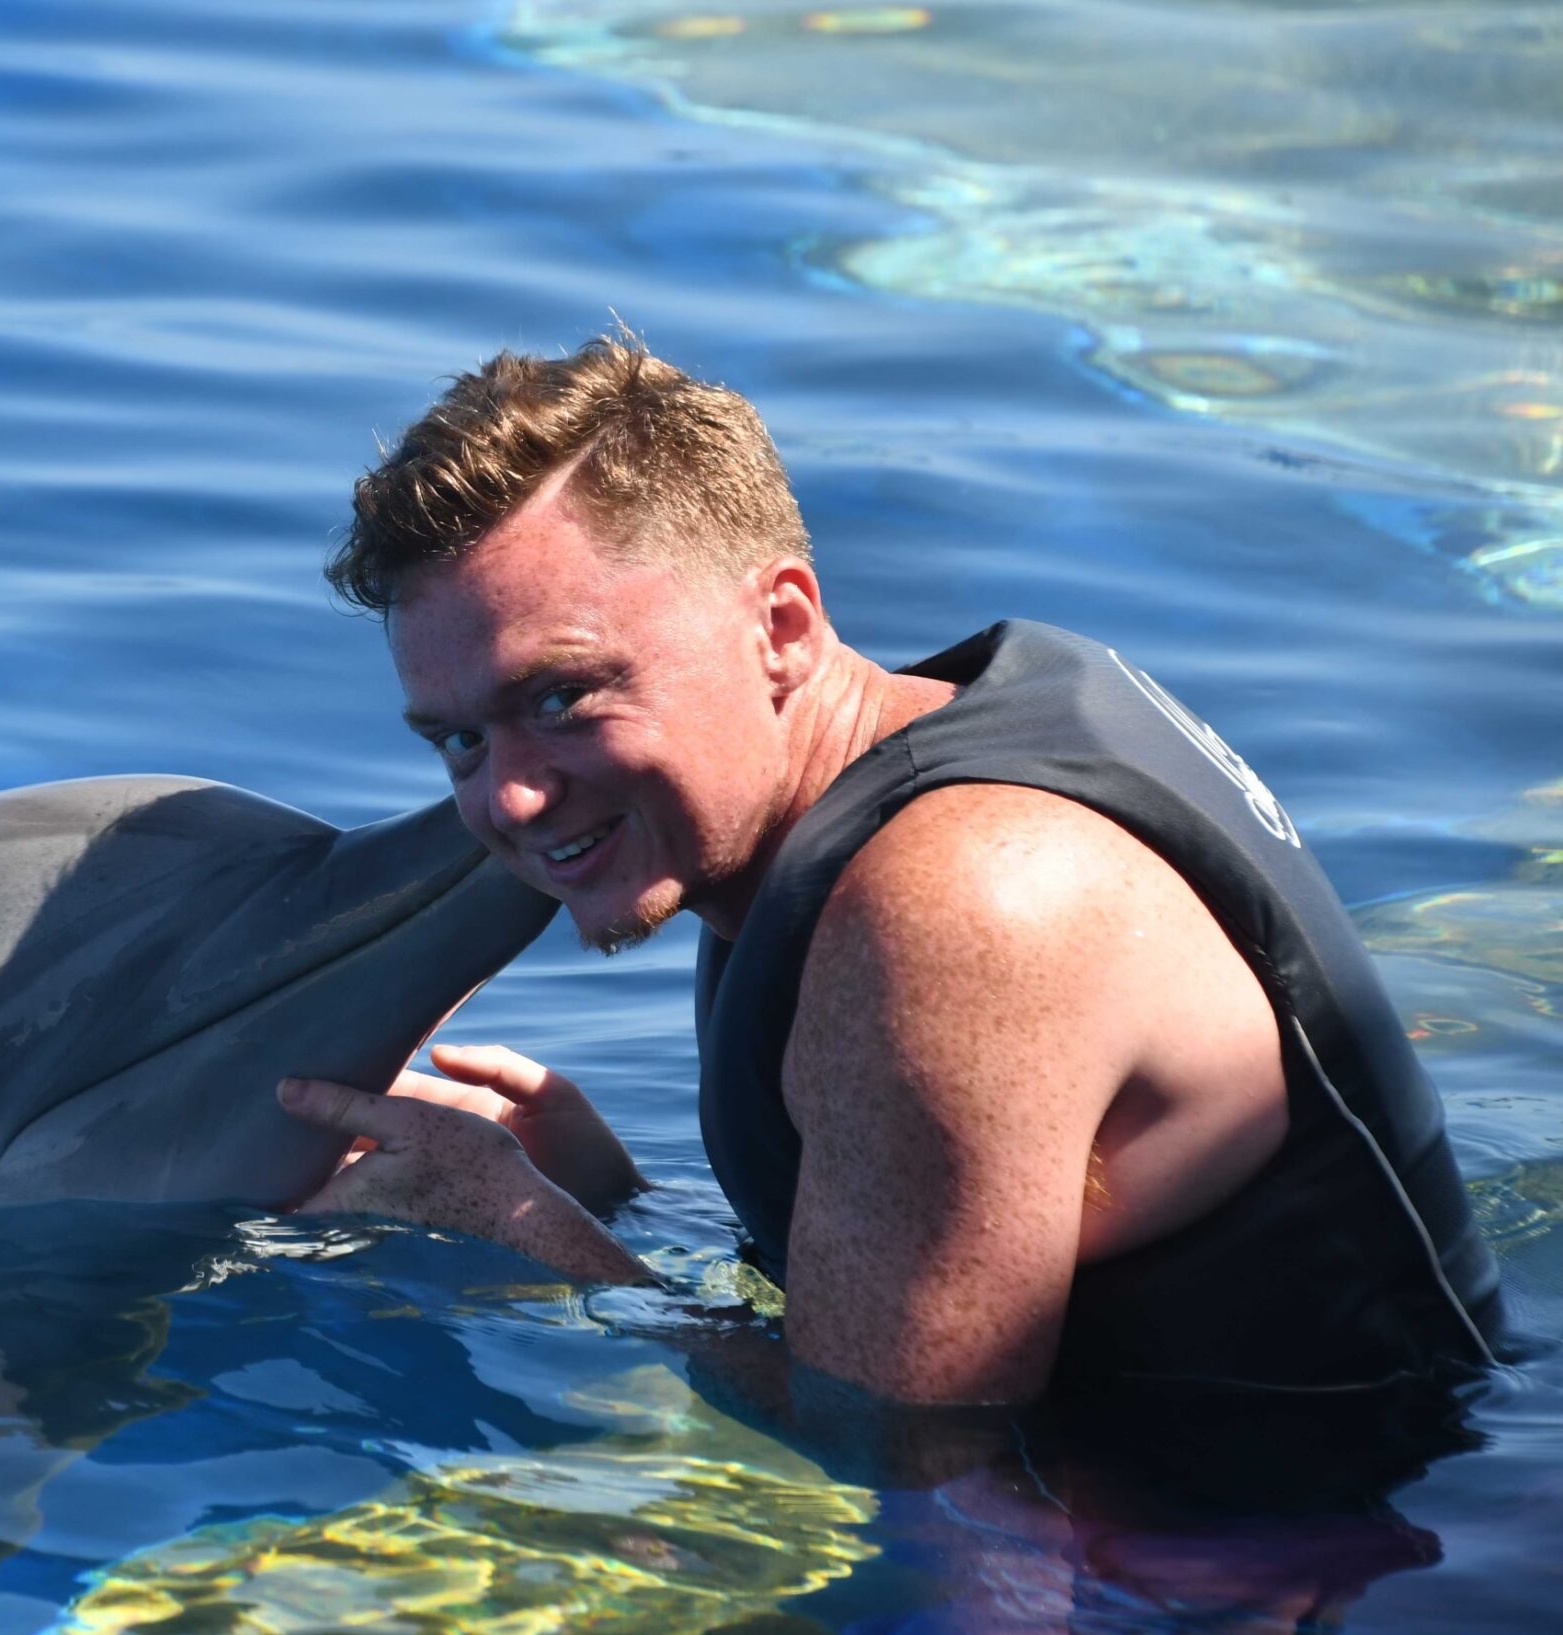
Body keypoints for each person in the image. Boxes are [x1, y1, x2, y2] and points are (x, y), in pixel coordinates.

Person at [278, 331, 1502, 1418]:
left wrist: (525, 1237)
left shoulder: (955, 900)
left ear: (781, 627)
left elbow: (901, 1454)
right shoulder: (851, 786)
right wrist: (612, 1202)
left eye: (561, 697)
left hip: (1352, 1549)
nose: (507, 798)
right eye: (459, 740)